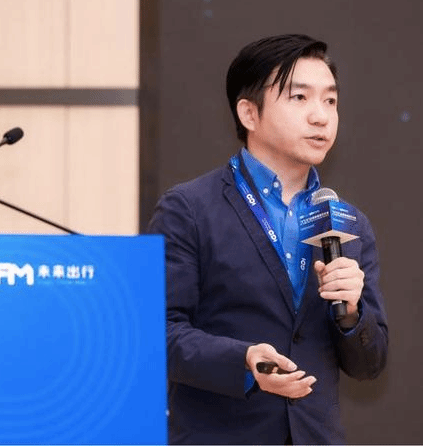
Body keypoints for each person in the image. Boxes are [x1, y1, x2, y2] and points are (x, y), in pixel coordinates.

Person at [147, 34, 388, 444]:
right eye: (300, 98)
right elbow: (158, 332)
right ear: (249, 113)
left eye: (330, 100)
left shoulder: (350, 225)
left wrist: (351, 313)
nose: (321, 116)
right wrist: (242, 360)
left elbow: (370, 364)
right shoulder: (189, 209)